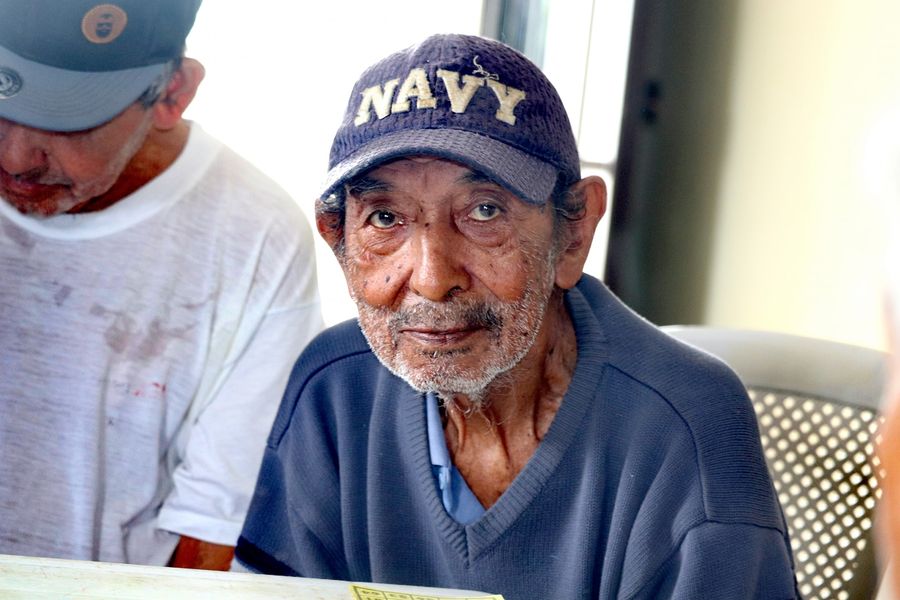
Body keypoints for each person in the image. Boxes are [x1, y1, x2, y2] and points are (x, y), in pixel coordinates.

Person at [235, 34, 798, 598]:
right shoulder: (332, 388)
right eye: (384, 218)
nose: (432, 278)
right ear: (338, 240)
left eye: (484, 211)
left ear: (573, 232)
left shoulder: (688, 425)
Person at [0, 0, 323, 569]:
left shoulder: (256, 235)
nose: (15, 158)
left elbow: (218, 521)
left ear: (173, 93)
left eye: (66, 119)